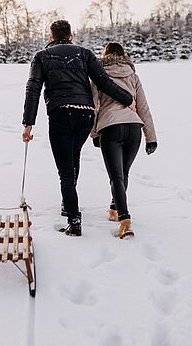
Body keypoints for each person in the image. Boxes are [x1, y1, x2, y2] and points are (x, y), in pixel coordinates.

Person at [22, 20, 135, 236]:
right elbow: (103, 82)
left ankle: (74, 220)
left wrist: (28, 123)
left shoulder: (41, 56)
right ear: (71, 35)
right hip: (85, 113)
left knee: (65, 170)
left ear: (51, 37)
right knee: (73, 155)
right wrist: (126, 98)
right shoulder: (84, 53)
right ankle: (67, 203)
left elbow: (33, 89)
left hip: (60, 113)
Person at [91, 42, 157, 239]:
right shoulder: (133, 75)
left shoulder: (99, 76)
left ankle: (124, 220)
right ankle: (114, 207)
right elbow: (143, 107)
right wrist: (150, 137)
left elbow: (95, 106)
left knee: (116, 176)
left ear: (105, 55)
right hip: (134, 129)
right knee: (123, 173)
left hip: (111, 128)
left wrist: (94, 133)